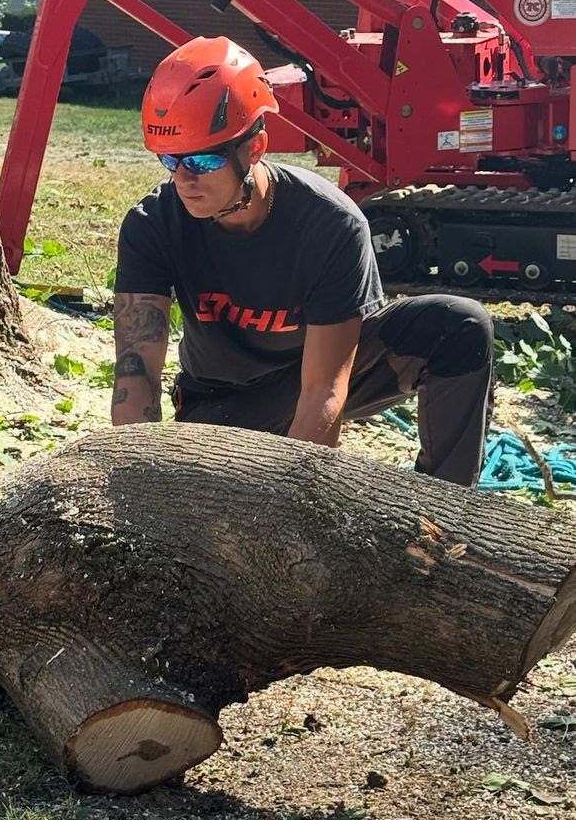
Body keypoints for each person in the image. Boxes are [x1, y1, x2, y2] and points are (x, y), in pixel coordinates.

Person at [112, 35, 493, 487]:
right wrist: (137, 484)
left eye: (202, 159)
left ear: (254, 148)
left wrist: (289, 502)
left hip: (319, 378)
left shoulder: (329, 224)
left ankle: (444, 514)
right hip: (224, 405)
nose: (184, 180)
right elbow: (135, 375)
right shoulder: (151, 223)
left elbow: (323, 392)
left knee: (460, 325)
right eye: (170, 160)